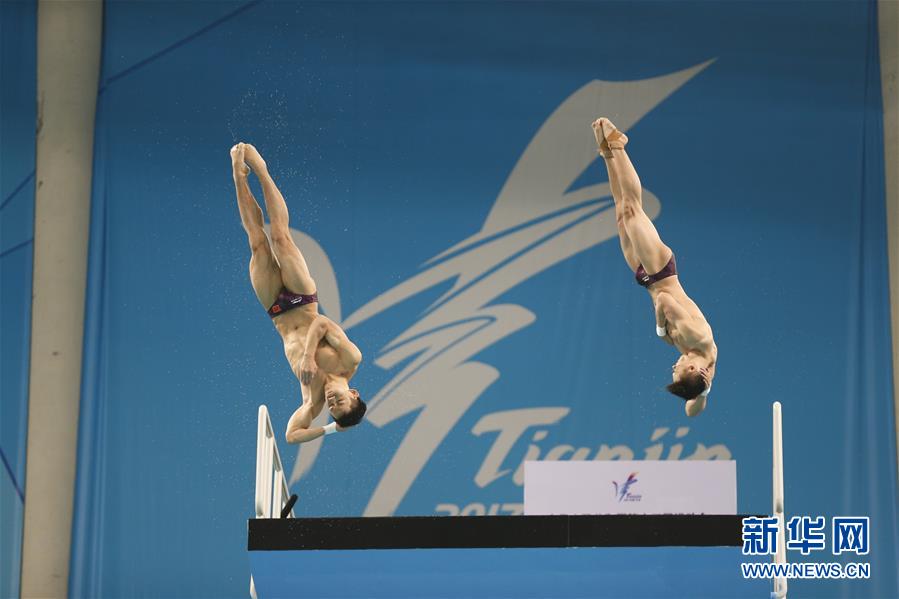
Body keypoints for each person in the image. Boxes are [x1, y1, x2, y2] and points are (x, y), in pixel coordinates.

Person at [230, 142, 366, 441]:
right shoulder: (350, 359)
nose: (331, 402)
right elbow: (323, 323)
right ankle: (262, 172)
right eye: (340, 401)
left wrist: (332, 426)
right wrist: (307, 357)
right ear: (353, 393)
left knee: (256, 241)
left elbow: (292, 435)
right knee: (279, 236)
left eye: (333, 408)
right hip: (302, 299)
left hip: (277, 311)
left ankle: (239, 176)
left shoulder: (312, 400)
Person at [592, 118, 717, 416]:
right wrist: (662, 330)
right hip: (660, 271)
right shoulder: (696, 340)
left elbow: (692, 409)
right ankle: (619, 147)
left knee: (620, 214)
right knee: (633, 209)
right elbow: (663, 301)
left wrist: (704, 386)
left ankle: (607, 155)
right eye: (676, 370)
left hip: (645, 277)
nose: (673, 366)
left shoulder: (703, 362)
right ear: (691, 368)